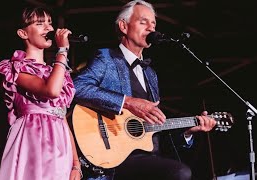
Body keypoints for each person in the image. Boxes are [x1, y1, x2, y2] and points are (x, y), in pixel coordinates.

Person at [72, 0, 216, 180]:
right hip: (113, 157)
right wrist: (128, 102)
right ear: (124, 26)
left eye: (154, 23)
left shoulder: (151, 74)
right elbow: (76, 87)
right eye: (143, 22)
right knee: (180, 173)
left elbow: (156, 133)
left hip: (147, 156)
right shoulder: (106, 58)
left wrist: (187, 132)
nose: (151, 28)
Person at [0, 6, 82, 180]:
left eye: (50, 23)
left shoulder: (57, 71)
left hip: (61, 144)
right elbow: (51, 90)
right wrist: (62, 51)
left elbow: (61, 116)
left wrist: (75, 163)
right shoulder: (15, 68)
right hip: (34, 139)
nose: (49, 29)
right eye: (40, 23)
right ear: (23, 33)